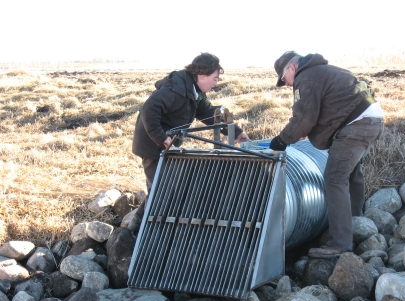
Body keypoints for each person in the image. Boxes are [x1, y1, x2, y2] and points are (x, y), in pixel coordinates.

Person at [269, 51, 384, 256]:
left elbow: (304, 119)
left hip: (356, 124)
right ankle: (356, 222)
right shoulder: (321, 71)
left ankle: (340, 243)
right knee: (351, 173)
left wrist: (281, 141)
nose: (285, 84)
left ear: (292, 68)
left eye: (283, 78)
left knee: (334, 178)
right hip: (370, 119)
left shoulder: (306, 78)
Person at [129, 52, 250, 232]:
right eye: (214, 78)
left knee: (161, 185)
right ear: (201, 75)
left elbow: (208, 113)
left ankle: (137, 224)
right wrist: (161, 137)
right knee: (159, 188)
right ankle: (142, 230)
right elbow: (149, 109)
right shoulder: (175, 90)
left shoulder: (194, 91)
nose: (216, 83)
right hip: (152, 145)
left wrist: (236, 133)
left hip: (167, 144)